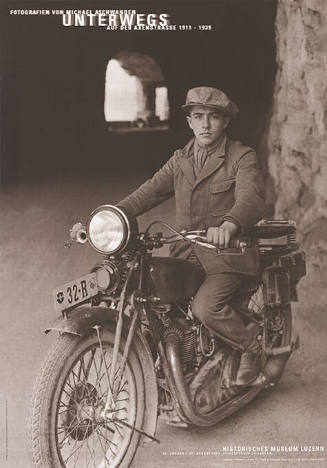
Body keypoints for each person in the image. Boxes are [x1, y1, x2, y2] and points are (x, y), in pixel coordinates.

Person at [118, 86, 266, 385]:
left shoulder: (241, 156)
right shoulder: (180, 159)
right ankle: (176, 362)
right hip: (185, 257)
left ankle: (253, 347)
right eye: (198, 117)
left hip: (226, 257)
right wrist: (110, 215)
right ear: (189, 121)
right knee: (154, 300)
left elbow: (250, 198)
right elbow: (149, 192)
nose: (205, 124)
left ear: (225, 122)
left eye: (213, 117)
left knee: (204, 307)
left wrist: (228, 226)